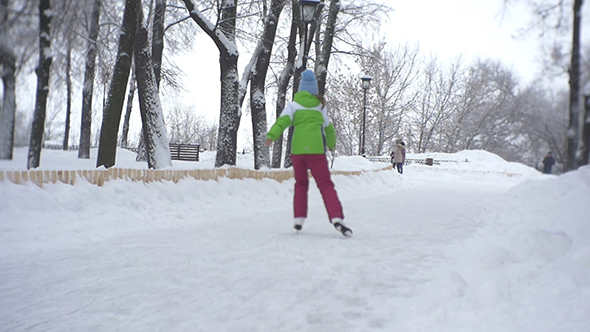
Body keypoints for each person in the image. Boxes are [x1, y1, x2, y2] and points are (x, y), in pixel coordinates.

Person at [264, 69, 352, 237]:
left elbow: (282, 122)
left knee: (301, 184)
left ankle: (299, 218)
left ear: (300, 89)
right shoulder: (319, 107)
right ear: (314, 90)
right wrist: (331, 145)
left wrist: (271, 136)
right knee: (325, 184)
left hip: (297, 152)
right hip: (316, 151)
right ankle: (336, 217)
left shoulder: (293, 106)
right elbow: (329, 129)